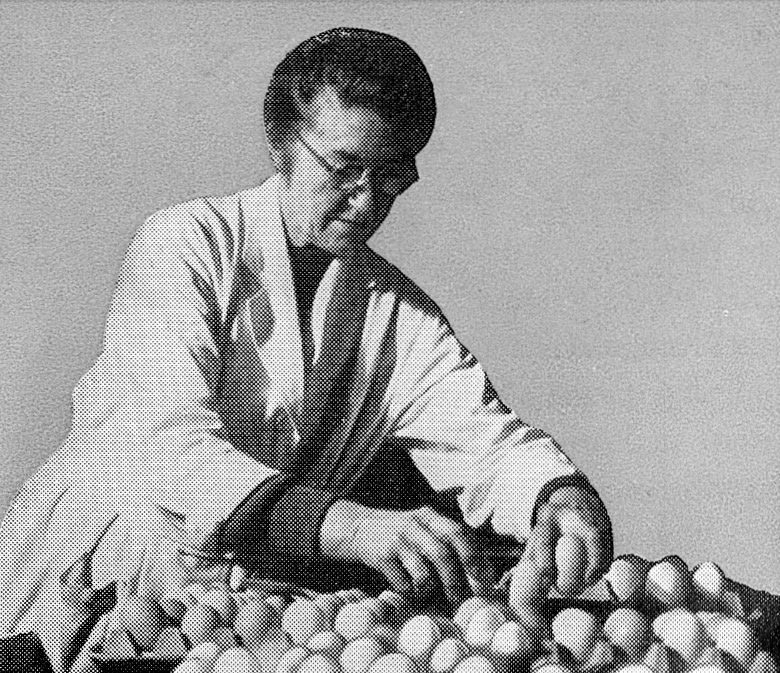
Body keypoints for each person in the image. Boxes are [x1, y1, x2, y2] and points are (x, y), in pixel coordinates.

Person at [0, 27, 612, 671]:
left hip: (228, 617)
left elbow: (485, 438)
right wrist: (349, 526)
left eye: (392, 176)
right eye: (344, 170)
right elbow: (163, 446)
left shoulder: (394, 313)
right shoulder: (185, 246)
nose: (368, 201)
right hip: (75, 588)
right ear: (283, 146)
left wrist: (557, 497)